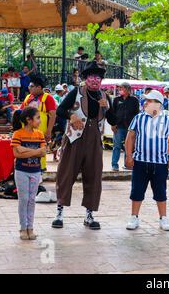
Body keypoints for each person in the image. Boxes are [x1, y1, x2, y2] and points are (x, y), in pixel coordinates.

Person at [52, 61, 115, 230]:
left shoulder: (105, 96)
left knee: (94, 177)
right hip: (75, 139)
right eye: (91, 77)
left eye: (98, 78)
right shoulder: (75, 92)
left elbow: (114, 120)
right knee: (66, 173)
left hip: (95, 140)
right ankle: (59, 212)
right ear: (86, 79)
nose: (95, 80)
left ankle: (89, 215)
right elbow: (60, 110)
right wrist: (71, 117)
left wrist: (107, 108)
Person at [124, 90, 169, 231]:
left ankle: (163, 218)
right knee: (137, 190)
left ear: (158, 104)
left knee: (161, 191)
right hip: (140, 161)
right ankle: (134, 217)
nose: (145, 103)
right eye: (146, 101)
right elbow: (130, 137)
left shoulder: (166, 119)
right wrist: (129, 156)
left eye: (149, 101)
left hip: (160, 163)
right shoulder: (139, 118)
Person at [11, 107, 46, 240]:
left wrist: (24, 150)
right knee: (23, 199)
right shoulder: (17, 134)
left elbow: (43, 152)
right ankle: (23, 228)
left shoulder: (39, 135)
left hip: (35, 171)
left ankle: (30, 227)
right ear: (28, 120)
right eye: (37, 118)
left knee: (32, 200)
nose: (40, 120)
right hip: (21, 171)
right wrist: (36, 151)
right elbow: (15, 153)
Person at [20, 75, 57, 145]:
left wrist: (49, 131)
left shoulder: (48, 98)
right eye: (29, 86)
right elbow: (21, 111)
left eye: (31, 86)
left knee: (39, 152)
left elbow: (53, 115)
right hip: (26, 131)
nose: (29, 88)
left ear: (39, 87)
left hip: (41, 131)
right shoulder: (27, 97)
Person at [111, 82, 140, 172]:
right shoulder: (116, 100)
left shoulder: (134, 100)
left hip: (130, 128)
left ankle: (127, 164)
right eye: (119, 88)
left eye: (122, 88)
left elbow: (137, 114)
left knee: (129, 146)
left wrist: (136, 127)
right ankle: (114, 165)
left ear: (128, 89)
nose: (120, 90)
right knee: (117, 146)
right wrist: (113, 124)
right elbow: (112, 113)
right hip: (118, 127)